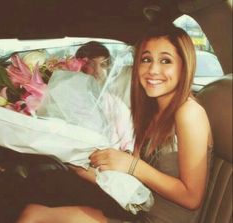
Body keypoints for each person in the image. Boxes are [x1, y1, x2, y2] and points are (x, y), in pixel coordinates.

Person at [16, 23, 213, 223]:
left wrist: (132, 165)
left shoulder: (189, 113)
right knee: (41, 197)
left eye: (165, 60)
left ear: (184, 66)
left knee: (34, 216)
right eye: (146, 59)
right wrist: (80, 164)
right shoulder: (151, 111)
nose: (153, 69)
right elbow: (132, 178)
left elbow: (192, 198)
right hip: (136, 208)